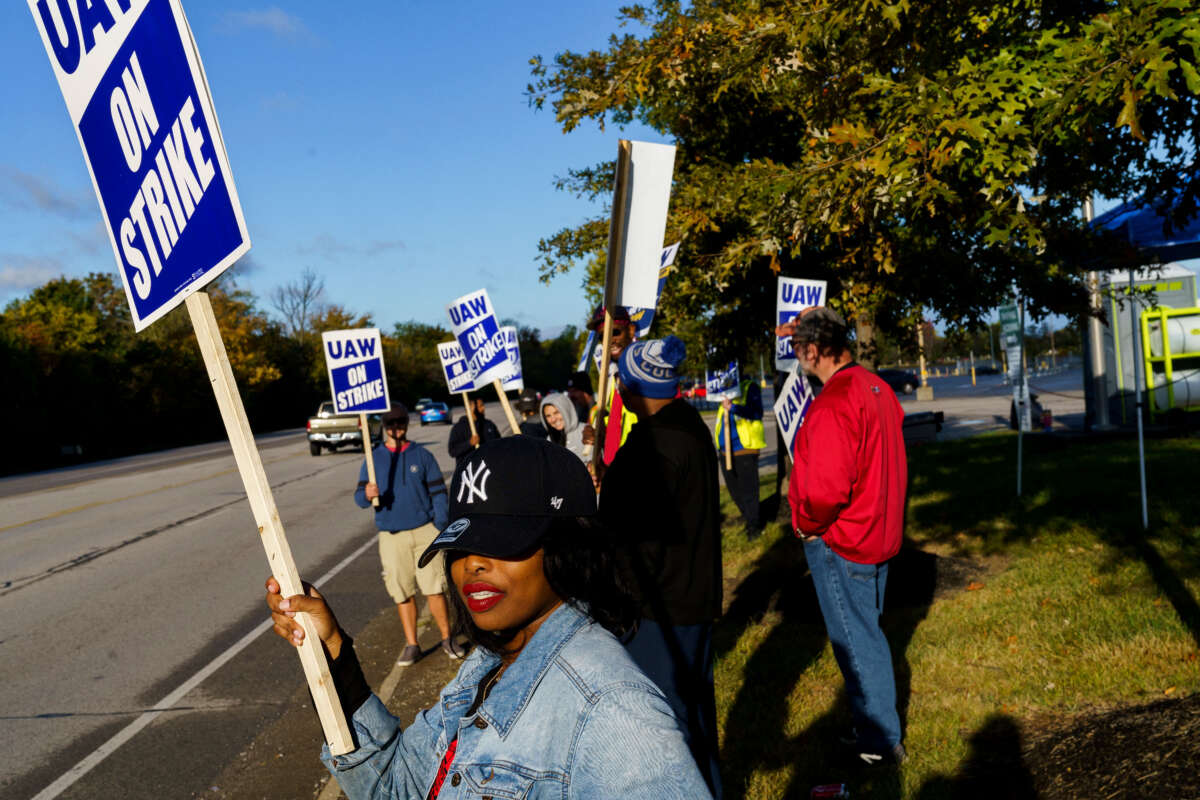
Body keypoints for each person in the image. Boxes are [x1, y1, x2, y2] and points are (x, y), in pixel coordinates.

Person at [266, 436, 712, 799]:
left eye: (504, 541)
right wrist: (332, 652)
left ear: (570, 547)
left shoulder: (613, 711)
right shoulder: (490, 663)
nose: (472, 564)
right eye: (462, 544)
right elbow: (395, 787)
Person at [596, 335, 724, 798]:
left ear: (633, 386)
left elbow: (637, 536)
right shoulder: (683, 424)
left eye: (621, 381)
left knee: (664, 730)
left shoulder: (658, 444)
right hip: (689, 597)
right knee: (693, 719)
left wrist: (613, 600)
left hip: (658, 609)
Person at [787, 307, 908, 766]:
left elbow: (825, 489)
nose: (796, 356)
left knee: (857, 642)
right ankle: (873, 728)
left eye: (798, 348)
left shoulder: (835, 401)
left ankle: (879, 741)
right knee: (868, 633)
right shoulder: (876, 388)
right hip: (876, 530)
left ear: (814, 350)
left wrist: (805, 524)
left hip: (845, 540)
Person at [355, 404, 465, 666]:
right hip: (392, 536)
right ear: (384, 426)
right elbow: (360, 498)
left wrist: (439, 526)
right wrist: (367, 494)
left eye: (401, 422)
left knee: (434, 589)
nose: (396, 428)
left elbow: (439, 493)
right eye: (391, 424)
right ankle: (412, 644)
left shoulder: (422, 455)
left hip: (424, 530)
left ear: (406, 423)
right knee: (401, 592)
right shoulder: (373, 459)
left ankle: (447, 638)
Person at [713, 375, 766, 537]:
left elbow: (757, 413)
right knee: (734, 490)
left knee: (749, 490)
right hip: (725, 451)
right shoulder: (724, 392)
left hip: (745, 448)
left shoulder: (749, 387)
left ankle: (754, 526)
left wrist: (734, 408)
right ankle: (749, 518)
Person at [586, 305, 638, 465]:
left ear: (630, 330)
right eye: (603, 337)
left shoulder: (645, 373)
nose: (609, 341)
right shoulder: (611, 381)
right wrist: (596, 435)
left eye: (614, 332)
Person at [538, 391, 594, 462]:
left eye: (556, 412)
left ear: (566, 410)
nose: (553, 419)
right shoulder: (549, 439)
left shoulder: (586, 431)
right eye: (548, 416)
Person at [447, 396, 501, 464]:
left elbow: (500, 444)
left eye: (483, 405)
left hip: (490, 466)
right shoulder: (458, 428)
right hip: (469, 470)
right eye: (480, 406)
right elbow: (452, 451)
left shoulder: (489, 424)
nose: (483, 408)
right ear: (471, 408)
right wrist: (469, 443)